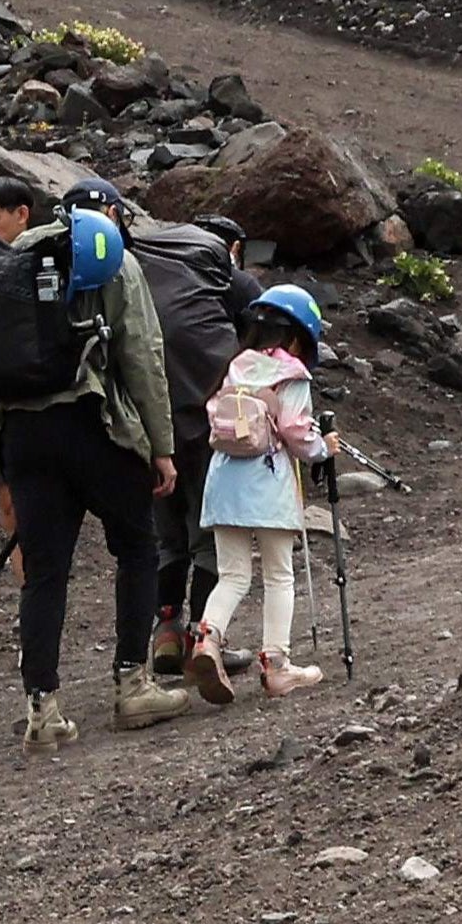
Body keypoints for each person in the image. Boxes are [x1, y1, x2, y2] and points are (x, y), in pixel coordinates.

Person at [0, 172, 186, 753]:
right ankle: (134, 683)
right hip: (95, 425)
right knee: (136, 546)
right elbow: (142, 353)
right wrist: (161, 445)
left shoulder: (14, 257)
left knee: (45, 570)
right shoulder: (111, 257)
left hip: (25, 434)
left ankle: (43, 710)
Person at [117, 194, 254, 676]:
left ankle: (166, 630)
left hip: (145, 417)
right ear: (233, 246)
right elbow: (259, 329)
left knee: (165, 535)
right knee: (209, 530)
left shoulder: (149, 259)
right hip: (204, 415)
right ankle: (204, 639)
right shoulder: (222, 266)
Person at [194, 283, 334, 696]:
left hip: (222, 481)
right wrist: (324, 447)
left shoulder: (236, 366)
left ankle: (207, 637)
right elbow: (295, 431)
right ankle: (276, 665)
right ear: (296, 336)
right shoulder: (291, 374)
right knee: (278, 574)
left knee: (233, 575)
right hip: (267, 484)